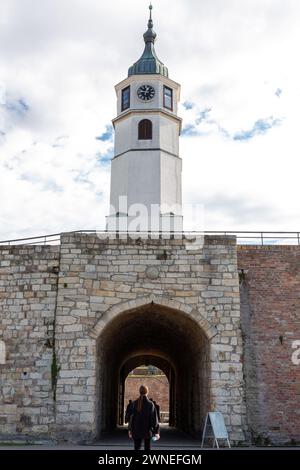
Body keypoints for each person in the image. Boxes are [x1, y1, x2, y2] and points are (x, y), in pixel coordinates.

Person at [128, 385, 160, 451]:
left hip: (136, 429)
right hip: (147, 430)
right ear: (147, 392)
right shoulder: (150, 404)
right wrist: (156, 431)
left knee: (137, 448)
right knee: (147, 448)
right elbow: (154, 419)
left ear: (139, 392)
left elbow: (131, 418)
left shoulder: (134, 403)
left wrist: (130, 429)